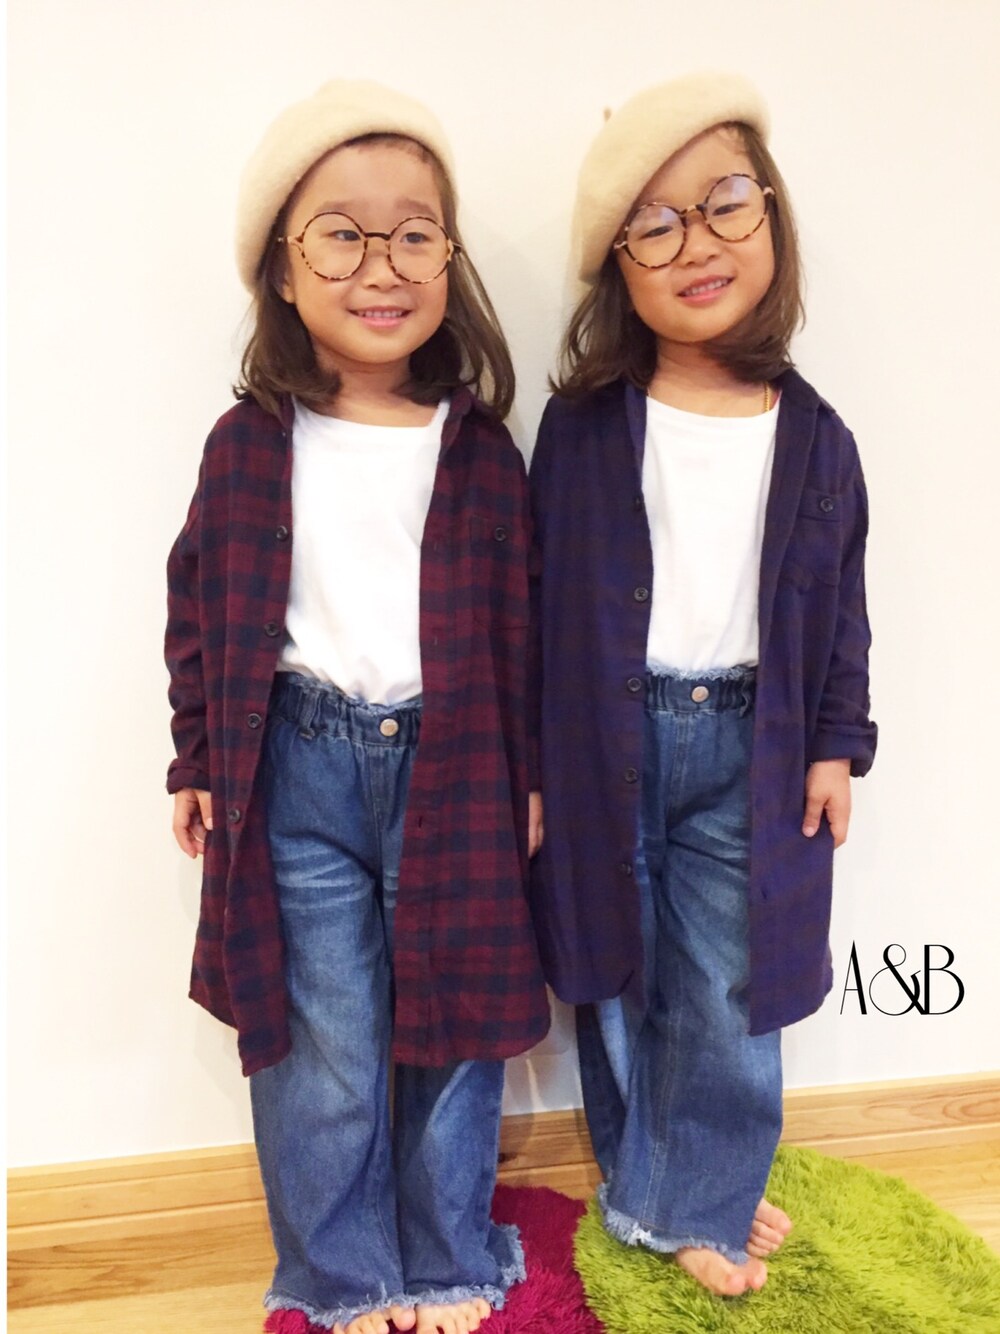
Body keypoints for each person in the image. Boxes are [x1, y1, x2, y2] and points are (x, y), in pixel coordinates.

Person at [165, 79, 549, 1334]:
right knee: (322, 1035)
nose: (381, 265)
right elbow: (199, 606)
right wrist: (195, 753)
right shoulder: (245, 443)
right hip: (298, 768)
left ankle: (445, 1255)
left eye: (414, 234)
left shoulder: (480, 448)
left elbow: (524, 628)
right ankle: (340, 1274)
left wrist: (532, 772)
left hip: (458, 765)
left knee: (455, 1024)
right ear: (282, 268)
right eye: (341, 233)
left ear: (448, 259)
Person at [528, 71, 877, 1298]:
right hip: (602, 739)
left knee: (728, 983)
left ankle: (705, 1182)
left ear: (770, 216)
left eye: (725, 203)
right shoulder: (581, 428)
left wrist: (834, 742)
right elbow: (534, 605)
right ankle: (654, 1181)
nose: (696, 243)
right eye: (655, 223)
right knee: (617, 966)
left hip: (752, 743)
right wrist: (531, 767)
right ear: (617, 265)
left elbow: (840, 609)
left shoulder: (817, 435)